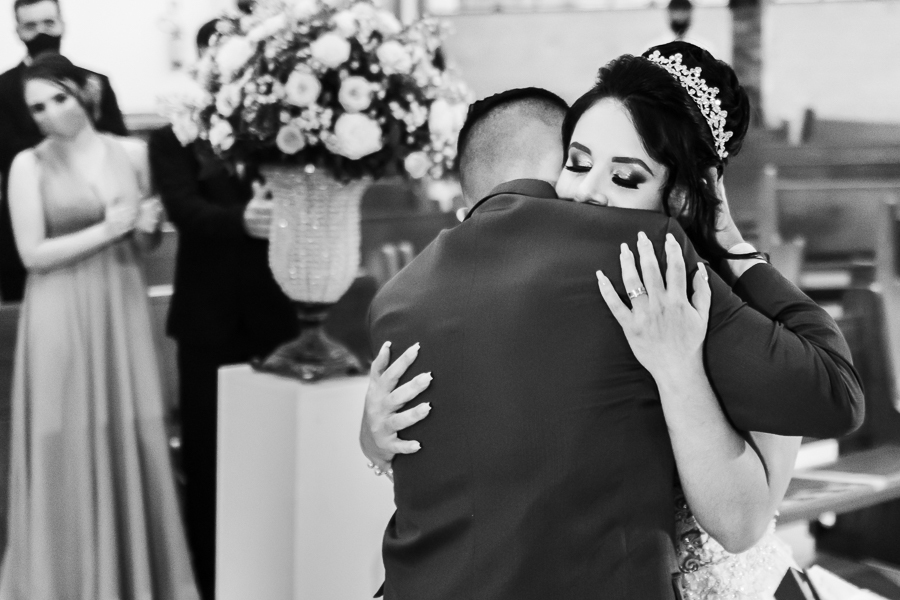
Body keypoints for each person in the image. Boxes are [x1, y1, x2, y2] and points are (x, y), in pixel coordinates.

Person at [361, 44, 863, 599]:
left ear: (680, 195)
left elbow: (743, 522)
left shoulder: (702, 288)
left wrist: (683, 364)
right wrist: (373, 439)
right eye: (575, 164)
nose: (584, 194)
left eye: (626, 178)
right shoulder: (564, 278)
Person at [0, 53, 198, 599]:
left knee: (129, 429)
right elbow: (32, 252)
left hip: (120, 302)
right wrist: (108, 229)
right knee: (62, 436)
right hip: (58, 311)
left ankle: (136, 576)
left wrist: (146, 227)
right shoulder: (27, 165)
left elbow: (144, 241)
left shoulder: (132, 152)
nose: (48, 114)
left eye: (58, 98)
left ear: (84, 92)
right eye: (36, 107)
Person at [147, 20, 298, 600]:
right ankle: (210, 581)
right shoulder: (172, 138)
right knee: (210, 458)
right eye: (219, 52)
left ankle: (269, 572)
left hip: (272, 309)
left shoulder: (273, 127)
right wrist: (242, 220)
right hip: (207, 319)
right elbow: (184, 211)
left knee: (271, 451)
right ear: (204, 60)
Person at [0, 0, 127, 302]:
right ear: (17, 31)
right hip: (26, 224)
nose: (42, 33)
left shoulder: (95, 82)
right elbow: (7, 151)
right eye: (31, 26)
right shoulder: (1, 90)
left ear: (63, 24)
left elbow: (118, 145)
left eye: (49, 23)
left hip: (98, 222)